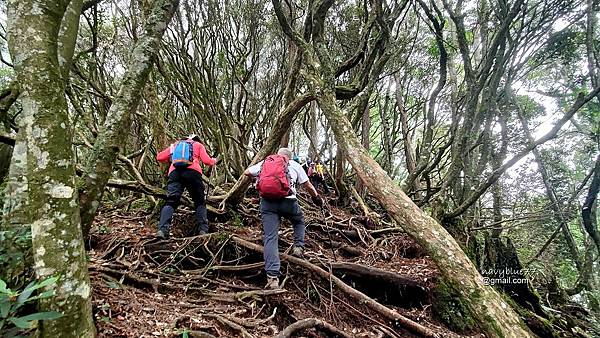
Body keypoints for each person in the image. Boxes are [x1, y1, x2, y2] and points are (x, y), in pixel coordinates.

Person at [244, 148, 323, 289]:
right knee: (298, 221)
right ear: (289, 157)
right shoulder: (295, 165)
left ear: (278, 155)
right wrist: (316, 198)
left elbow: (247, 172)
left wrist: (257, 181)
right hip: (289, 202)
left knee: (270, 237)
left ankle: (273, 278)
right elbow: (308, 185)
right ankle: (298, 247)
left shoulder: (266, 162)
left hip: (268, 203)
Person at [155, 135, 217, 239]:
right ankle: (202, 230)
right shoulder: (198, 145)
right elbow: (207, 161)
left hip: (175, 173)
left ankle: (162, 230)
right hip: (193, 173)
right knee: (199, 201)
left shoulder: (175, 145)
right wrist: (214, 161)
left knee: (171, 201)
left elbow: (160, 157)